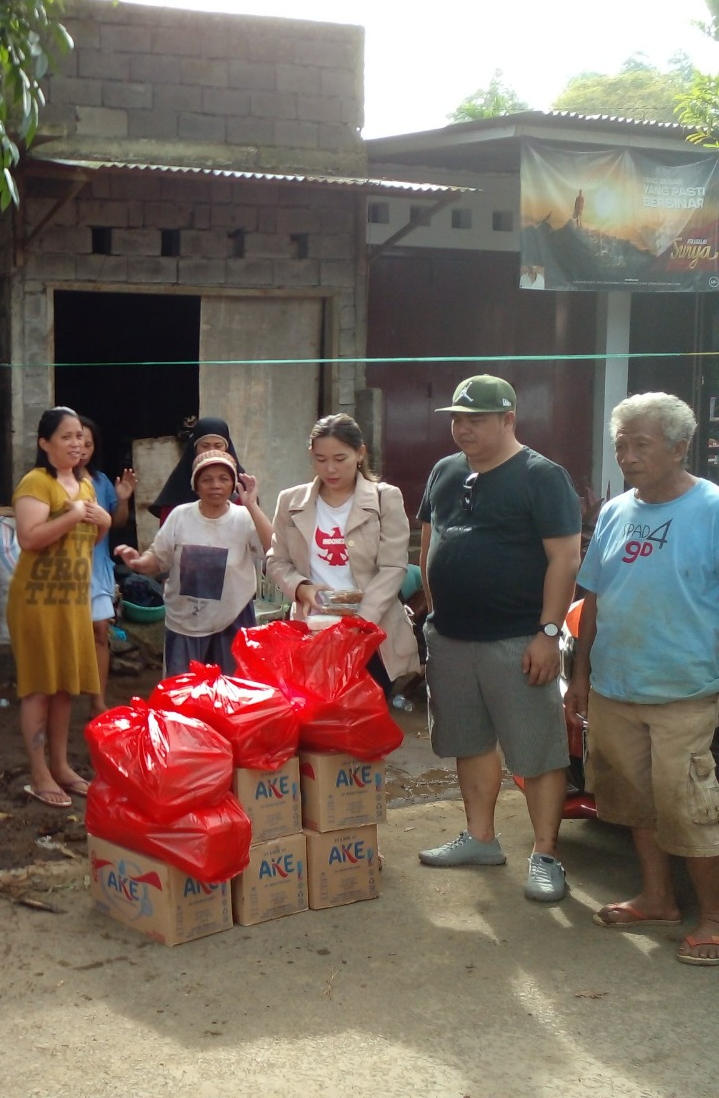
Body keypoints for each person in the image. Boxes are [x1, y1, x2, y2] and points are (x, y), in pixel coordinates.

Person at [563, 393, 719, 965]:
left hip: (686, 690)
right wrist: (581, 674)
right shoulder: (614, 511)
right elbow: (594, 599)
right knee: (631, 801)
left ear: (680, 447)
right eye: (620, 445)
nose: (627, 455)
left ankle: (715, 919)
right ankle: (658, 900)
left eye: (641, 444)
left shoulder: (712, 508)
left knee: (690, 806)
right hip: (614, 686)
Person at [414, 375, 581, 903]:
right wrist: (432, 614)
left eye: (476, 420)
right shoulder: (444, 471)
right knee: (468, 741)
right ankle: (481, 838)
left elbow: (565, 558)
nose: (463, 430)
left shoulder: (541, 476)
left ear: (509, 419)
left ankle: (546, 854)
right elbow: (429, 541)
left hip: (517, 639)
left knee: (536, 750)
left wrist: (548, 633)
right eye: (457, 420)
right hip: (453, 637)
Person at [266, 413, 420, 692]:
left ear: (359, 453)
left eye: (340, 459)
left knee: (364, 722)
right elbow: (277, 560)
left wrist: (360, 621)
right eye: (320, 460)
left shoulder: (385, 498)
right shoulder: (291, 501)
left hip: (372, 634)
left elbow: (393, 567)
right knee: (315, 719)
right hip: (314, 628)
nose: (330, 469)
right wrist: (302, 589)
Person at [7, 407, 109, 808]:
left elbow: (86, 544)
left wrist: (101, 523)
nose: (76, 444)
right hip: (37, 602)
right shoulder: (35, 482)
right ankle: (39, 772)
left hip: (72, 601)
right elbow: (30, 539)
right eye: (66, 437)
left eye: (80, 437)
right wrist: (71, 517)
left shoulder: (84, 485)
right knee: (39, 688)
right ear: (44, 443)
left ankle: (62, 766)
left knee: (65, 686)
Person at [116, 450, 273, 677]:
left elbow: (272, 549)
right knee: (183, 693)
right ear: (195, 485)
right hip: (185, 623)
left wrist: (252, 506)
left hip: (233, 618)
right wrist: (138, 562)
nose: (215, 485)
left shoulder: (243, 517)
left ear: (233, 484)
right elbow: (158, 559)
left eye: (224, 478)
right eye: (206, 479)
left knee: (231, 693)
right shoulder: (181, 516)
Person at [78, 415, 135, 713]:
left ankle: (97, 700)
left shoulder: (100, 481)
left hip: (97, 570)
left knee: (100, 630)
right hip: (65, 572)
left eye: (88, 443)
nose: (81, 448)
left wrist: (123, 499)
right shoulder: (50, 481)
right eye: (75, 440)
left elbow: (118, 522)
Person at [148, 416, 244, 524]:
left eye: (218, 446)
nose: (211, 452)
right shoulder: (178, 492)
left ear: (227, 448)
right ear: (195, 448)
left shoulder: (242, 490)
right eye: (205, 446)